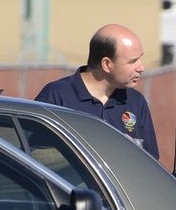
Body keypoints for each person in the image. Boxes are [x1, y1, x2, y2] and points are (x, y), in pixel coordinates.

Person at [35, 24, 159, 158]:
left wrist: (130, 152)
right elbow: (34, 156)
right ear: (106, 64)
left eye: (140, 58)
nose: (141, 67)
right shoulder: (57, 96)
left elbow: (150, 161)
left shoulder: (135, 101)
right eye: (133, 61)